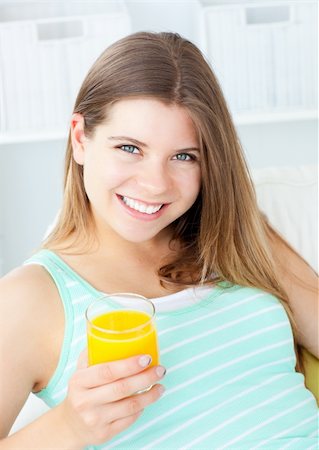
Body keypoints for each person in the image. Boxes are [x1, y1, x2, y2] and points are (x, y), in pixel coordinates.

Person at [0, 31, 317, 449]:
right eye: (130, 147)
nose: (154, 184)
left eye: (184, 156)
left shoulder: (235, 236)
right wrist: (69, 428)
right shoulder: (30, 298)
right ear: (80, 138)